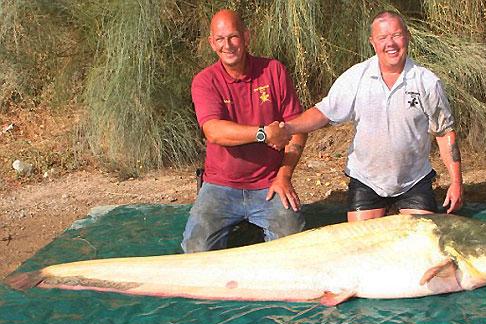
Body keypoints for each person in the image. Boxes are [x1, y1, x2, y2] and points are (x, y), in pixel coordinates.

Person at [285, 10, 463, 222]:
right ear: (372, 42)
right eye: (382, 38)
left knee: (421, 246)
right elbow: (323, 113)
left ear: (407, 36)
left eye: (396, 35)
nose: (391, 43)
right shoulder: (355, 77)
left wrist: (456, 182)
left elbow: (444, 133)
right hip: (367, 180)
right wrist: (287, 128)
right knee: (360, 244)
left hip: (414, 180)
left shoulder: (427, 82)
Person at [181, 9, 307, 252]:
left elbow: (297, 127)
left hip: (269, 183)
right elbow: (214, 131)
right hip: (220, 186)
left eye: (233, 37)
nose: (227, 45)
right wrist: (264, 133)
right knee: (195, 248)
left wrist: (284, 176)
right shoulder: (205, 81)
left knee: (294, 246)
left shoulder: (274, 71)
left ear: (247, 37)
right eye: (220, 39)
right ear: (212, 43)